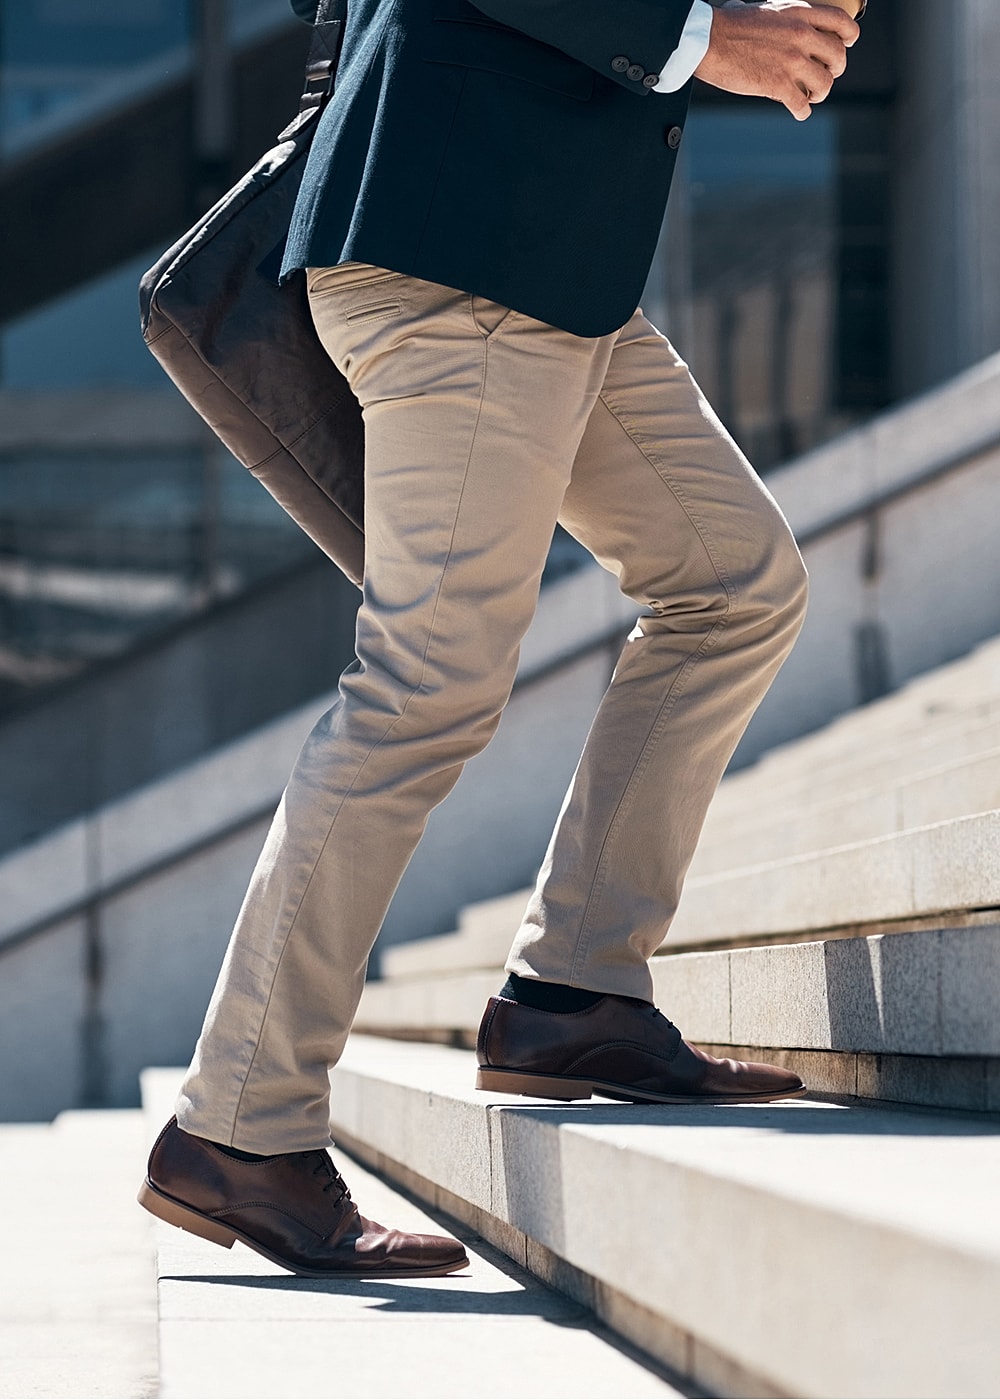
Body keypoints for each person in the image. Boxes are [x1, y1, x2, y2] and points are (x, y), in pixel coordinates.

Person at [139, 0, 860, 1279]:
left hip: (545, 258)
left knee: (731, 580)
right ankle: (239, 1123)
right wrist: (705, 39)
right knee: (426, 681)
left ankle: (575, 994)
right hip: (459, 254)